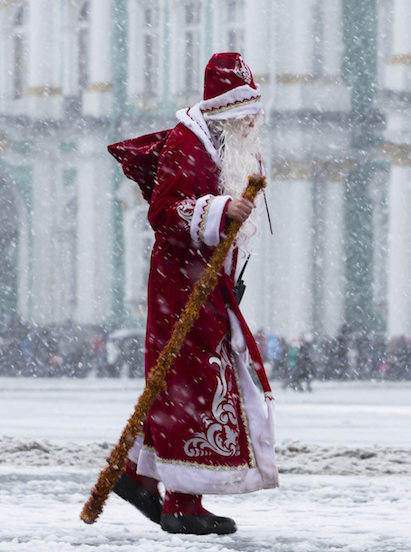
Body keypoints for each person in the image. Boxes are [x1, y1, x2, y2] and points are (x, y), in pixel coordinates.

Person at [107, 53, 277, 535]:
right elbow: (165, 213)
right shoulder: (190, 143)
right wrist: (223, 210)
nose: (252, 122)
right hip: (183, 283)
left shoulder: (220, 148)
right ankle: (183, 502)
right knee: (193, 385)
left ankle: (137, 475)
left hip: (204, 281)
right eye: (245, 112)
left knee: (180, 382)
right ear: (224, 110)